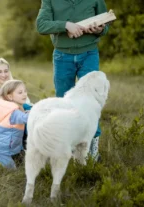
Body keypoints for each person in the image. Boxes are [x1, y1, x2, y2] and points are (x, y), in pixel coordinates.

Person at [36, 0, 110, 160]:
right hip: (62, 56)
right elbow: (41, 25)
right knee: (64, 102)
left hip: (89, 53)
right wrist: (66, 25)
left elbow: (106, 25)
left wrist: (100, 29)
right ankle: (67, 148)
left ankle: (92, 150)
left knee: (91, 102)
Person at [0, 80, 29, 169]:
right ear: (10, 96)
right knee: (10, 170)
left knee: (16, 163)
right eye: (20, 92)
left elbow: (22, 116)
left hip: (3, 146)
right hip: (4, 149)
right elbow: (26, 118)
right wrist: (38, 111)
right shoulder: (13, 112)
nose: (24, 94)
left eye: (25, 91)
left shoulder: (6, 107)